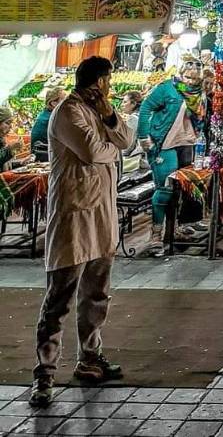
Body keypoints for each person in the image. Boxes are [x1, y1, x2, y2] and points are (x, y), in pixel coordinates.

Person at [30, 57, 131, 408]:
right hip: (73, 217)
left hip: (102, 216)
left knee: (97, 292)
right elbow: (93, 151)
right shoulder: (68, 113)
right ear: (97, 81)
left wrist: (108, 117)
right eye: (107, 82)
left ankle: (91, 356)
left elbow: (125, 139)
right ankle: (44, 373)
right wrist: (112, 149)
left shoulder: (100, 110)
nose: (110, 88)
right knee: (59, 297)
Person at [137, 57, 207, 255]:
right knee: (165, 189)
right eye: (187, 77)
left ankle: (174, 228)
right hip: (164, 144)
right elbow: (145, 107)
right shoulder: (166, 89)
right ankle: (155, 235)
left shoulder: (199, 93)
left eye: (194, 78)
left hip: (187, 143)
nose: (190, 81)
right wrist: (144, 136)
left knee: (181, 189)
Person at [30, 87, 67, 163]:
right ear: (53, 103)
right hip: (44, 156)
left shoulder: (46, 114)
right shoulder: (52, 118)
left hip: (43, 154)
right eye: (64, 100)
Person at [0, 106, 22, 171]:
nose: (10, 126)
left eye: (11, 123)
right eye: (7, 123)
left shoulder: (2, 139)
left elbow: (4, 163)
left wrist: (21, 162)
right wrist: (10, 148)